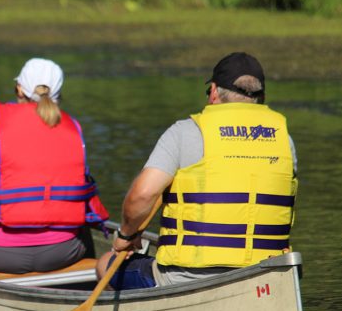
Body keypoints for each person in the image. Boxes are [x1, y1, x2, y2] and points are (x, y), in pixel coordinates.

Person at [97, 52, 298, 289]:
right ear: (262, 96)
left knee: (105, 264)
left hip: (187, 276)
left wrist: (126, 236)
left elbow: (142, 195)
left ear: (213, 92)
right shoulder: (285, 140)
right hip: (262, 276)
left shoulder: (186, 132)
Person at [0, 58, 109, 275]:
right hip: (63, 252)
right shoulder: (74, 129)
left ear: (19, 89)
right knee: (81, 229)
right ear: (58, 95)